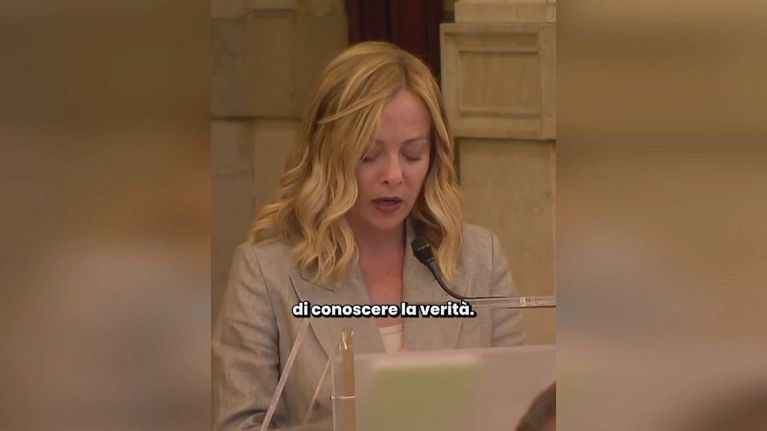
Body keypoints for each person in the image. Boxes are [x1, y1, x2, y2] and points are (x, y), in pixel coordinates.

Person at [212, 41, 525, 431]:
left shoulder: (480, 257)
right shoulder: (265, 271)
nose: (393, 175)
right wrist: (373, 414)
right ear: (328, 155)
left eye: (412, 154)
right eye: (369, 155)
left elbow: (522, 411)